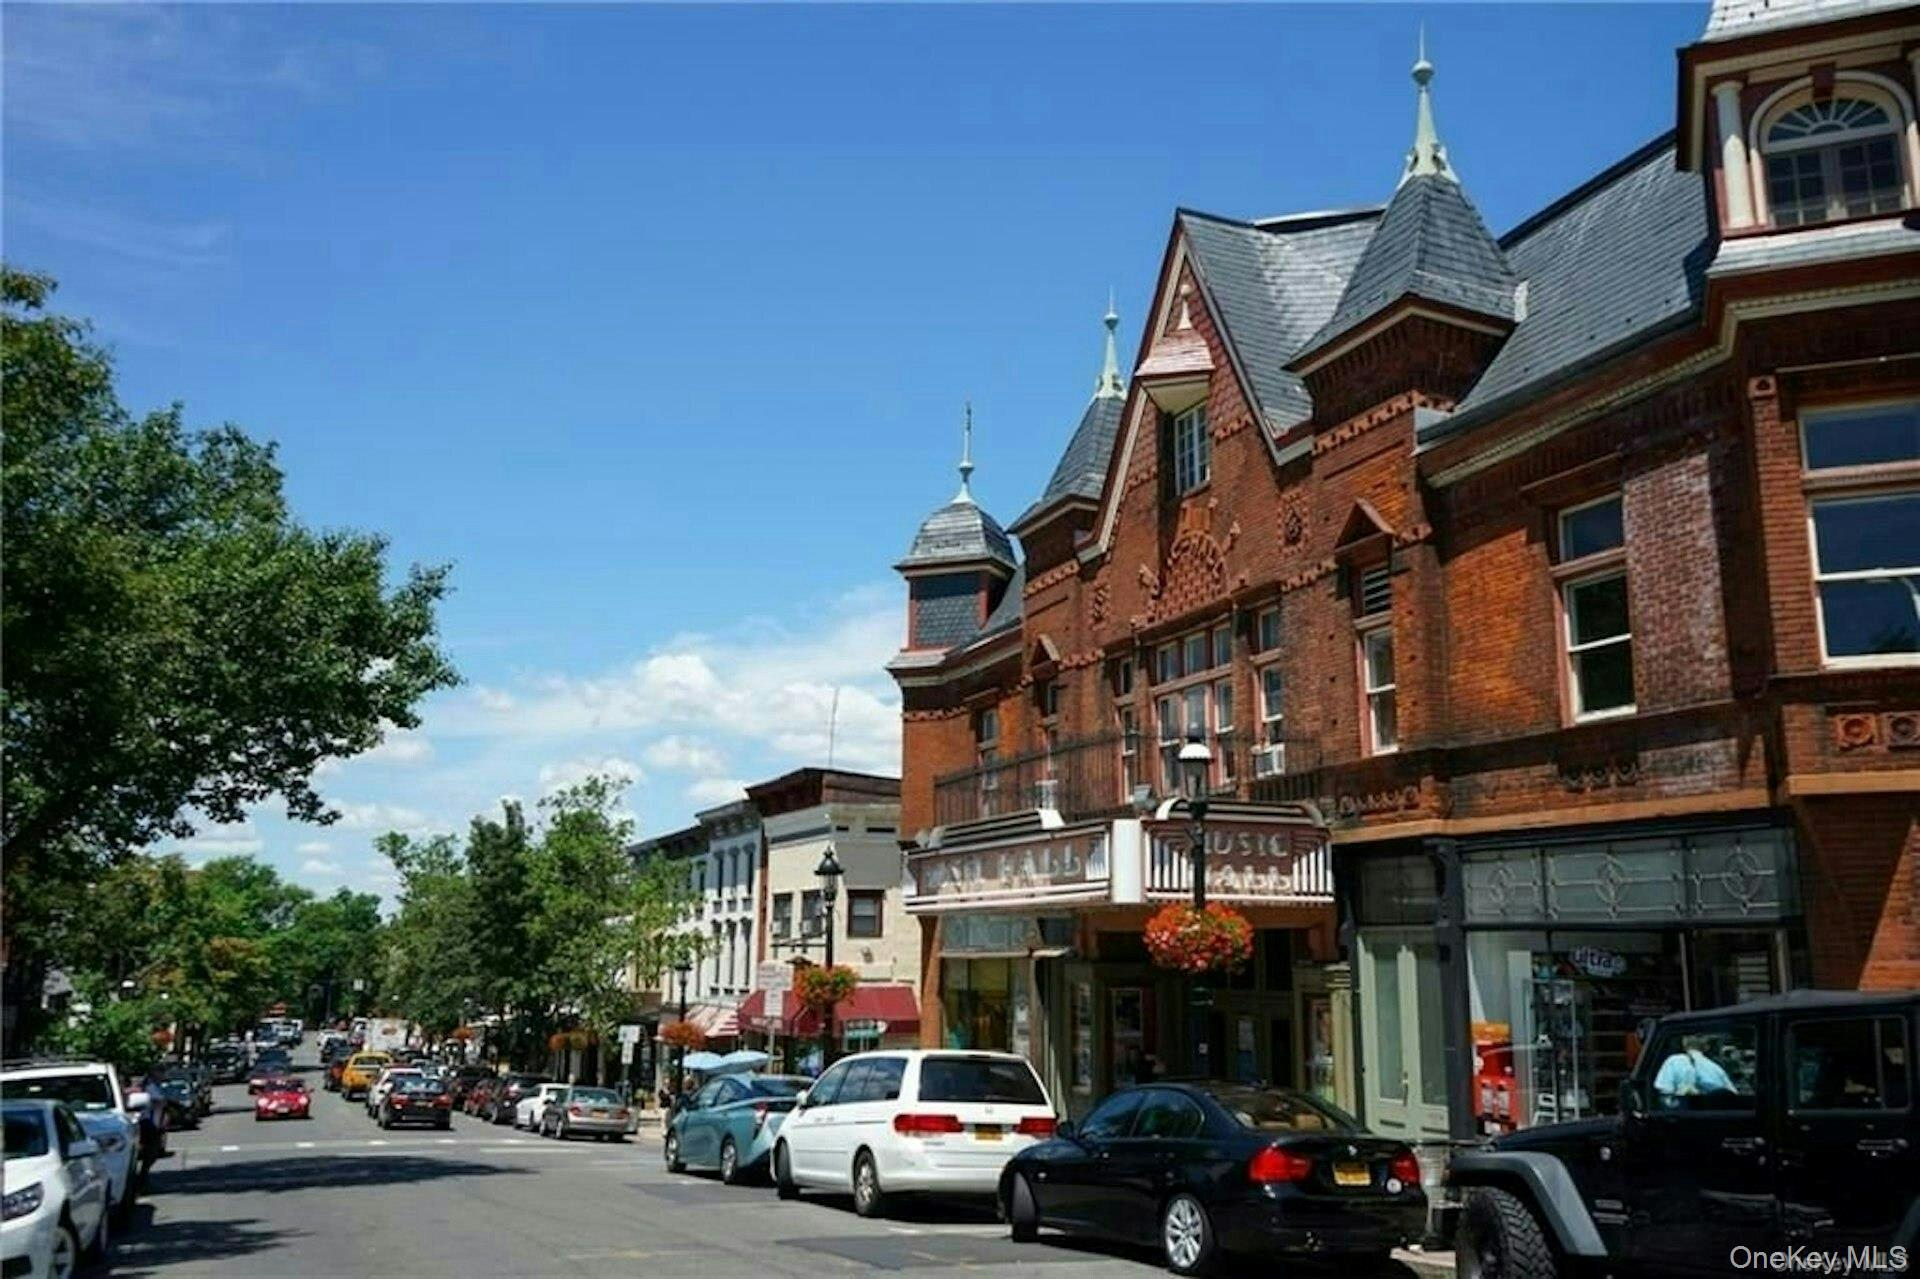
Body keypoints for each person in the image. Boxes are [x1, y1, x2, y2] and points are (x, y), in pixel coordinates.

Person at [1653, 1035, 1736, 1104]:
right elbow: (1733, 1097)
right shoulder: (1717, 1069)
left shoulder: (1673, 1061)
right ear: (1707, 1047)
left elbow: (1664, 1095)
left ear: (1684, 1042)